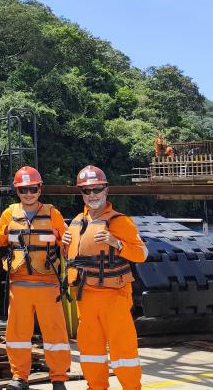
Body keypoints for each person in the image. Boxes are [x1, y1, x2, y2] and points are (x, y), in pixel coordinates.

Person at [63, 166, 147, 390]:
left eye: (96, 189)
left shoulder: (120, 222)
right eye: (86, 191)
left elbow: (142, 254)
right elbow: (75, 258)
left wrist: (116, 243)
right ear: (81, 193)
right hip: (86, 298)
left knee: (123, 351)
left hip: (114, 298)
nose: (92, 195)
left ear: (106, 190)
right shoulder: (76, 223)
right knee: (90, 351)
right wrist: (65, 247)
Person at [0, 166, 70, 390]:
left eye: (33, 189)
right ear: (18, 191)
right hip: (19, 285)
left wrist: (61, 237)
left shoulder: (52, 213)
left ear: (40, 189)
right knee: (17, 333)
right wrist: (5, 232)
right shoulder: (10, 213)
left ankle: (59, 378)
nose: (29, 193)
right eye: (24, 189)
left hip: (48, 284)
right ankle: (20, 377)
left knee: (55, 333)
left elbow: (67, 243)